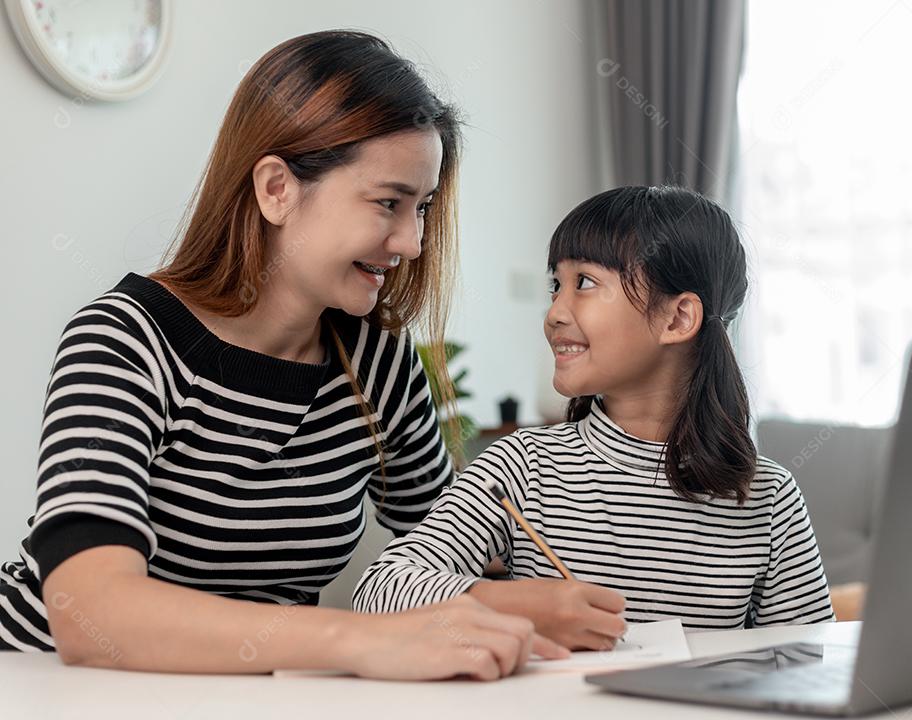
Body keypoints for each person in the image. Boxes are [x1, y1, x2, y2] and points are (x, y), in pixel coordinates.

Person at [0, 29, 566, 679]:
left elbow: (447, 548)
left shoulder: (380, 368)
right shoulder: (126, 342)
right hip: (42, 683)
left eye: (423, 208)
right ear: (276, 189)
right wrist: (363, 640)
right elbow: (89, 612)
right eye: (388, 203)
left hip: (250, 697)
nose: (411, 242)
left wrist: (523, 593)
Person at [355, 186, 835, 650]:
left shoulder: (768, 500)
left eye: (585, 282)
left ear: (677, 318)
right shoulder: (521, 467)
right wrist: (512, 603)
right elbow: (379, 593)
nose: (554, 313)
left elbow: (807, 664)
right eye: (555, 285)